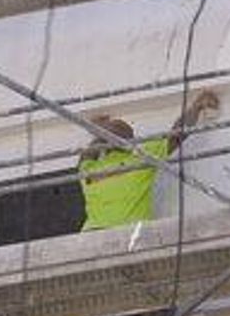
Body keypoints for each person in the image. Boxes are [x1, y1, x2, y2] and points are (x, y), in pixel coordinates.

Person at [78, 90, 219, 232]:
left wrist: (98, 129)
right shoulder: (140, 157)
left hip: (102, 235)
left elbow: (175, 135)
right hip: (127, 233)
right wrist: (196, 107)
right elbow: (176, 135)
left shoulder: (93, 166)